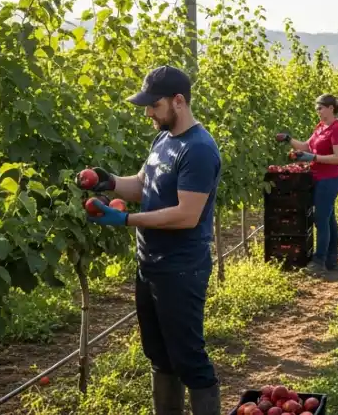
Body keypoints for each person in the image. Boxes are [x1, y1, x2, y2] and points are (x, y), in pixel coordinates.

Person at [81, 65, 223, 415]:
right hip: (150, 264)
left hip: (181, 268)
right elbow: (144, 185)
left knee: (189, 358)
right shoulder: (163, 139)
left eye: (154, 105)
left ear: (179, 101)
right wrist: (109, 181)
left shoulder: (199, 149)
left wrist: (126, 219)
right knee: (159, 354)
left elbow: (186, 214)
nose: (148, 113)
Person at [276, 94, 338, 274]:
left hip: (330, 180)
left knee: (321, 219)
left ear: (331, 108)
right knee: (329, 219)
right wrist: (289, 139)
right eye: (317, 108)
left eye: (320, 108)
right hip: (318, 178)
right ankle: (332, 261)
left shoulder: (337, 130)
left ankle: (319, 261)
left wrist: (313, 158)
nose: (318, 111)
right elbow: (306, 146)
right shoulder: (321, 127)